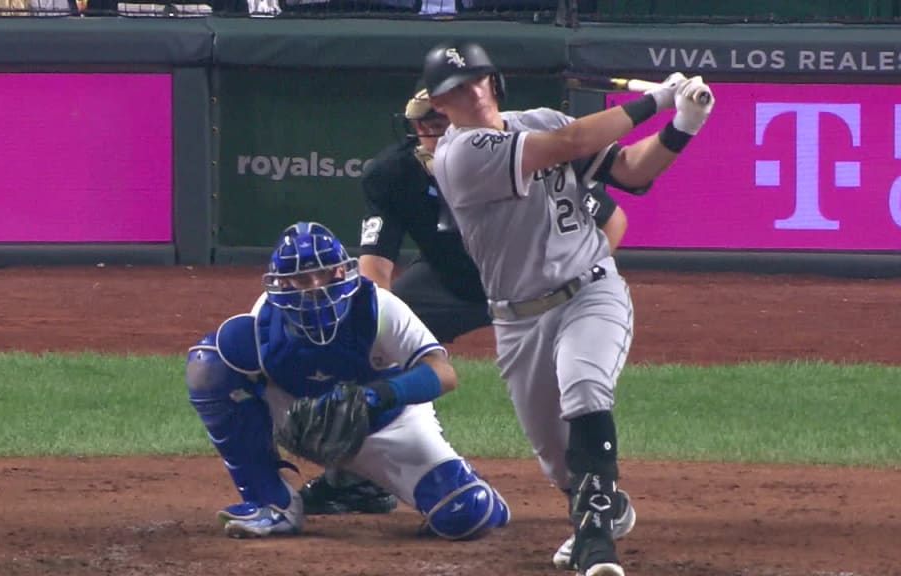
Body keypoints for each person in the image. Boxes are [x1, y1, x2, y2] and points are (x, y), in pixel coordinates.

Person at [423, 42, 714, 575]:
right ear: (440, 105)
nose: (471, 93)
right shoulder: (459, 153)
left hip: (590, 289)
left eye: (477, 80)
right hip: (517, 320)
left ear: (493, 81)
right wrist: (657, 100)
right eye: (454, 90)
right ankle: (603, 507)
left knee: (584, 386)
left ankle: (595, 543)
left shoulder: (540, 119)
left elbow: (630, 170)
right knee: (560, 463)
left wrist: (685, 124)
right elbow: (569, 141)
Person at [300, 81, 630, 516]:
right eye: (425, 125)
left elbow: (613, 218)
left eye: (442, 123)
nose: (434, 134)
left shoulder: (518, 154)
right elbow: (375, 268)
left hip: (533, 285)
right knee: (367, 332)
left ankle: (589, 492)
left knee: (565, 386)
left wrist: (566, 272)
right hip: (452, 285)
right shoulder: (393, 175)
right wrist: (375, 333)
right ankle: (356, 478)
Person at [184, 220, 510, 541]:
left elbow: (443, 373)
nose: (314, 285)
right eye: (300, 278)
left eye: (323, 272)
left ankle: (465, 490)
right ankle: (271, 502)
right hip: (303, 412)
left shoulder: (379, 307)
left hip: (387, 424)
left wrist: (375, 396)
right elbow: (238, 385)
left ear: (342, 270)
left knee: (468, 513)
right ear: (280, 285)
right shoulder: (265, 319)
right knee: (207, 364)